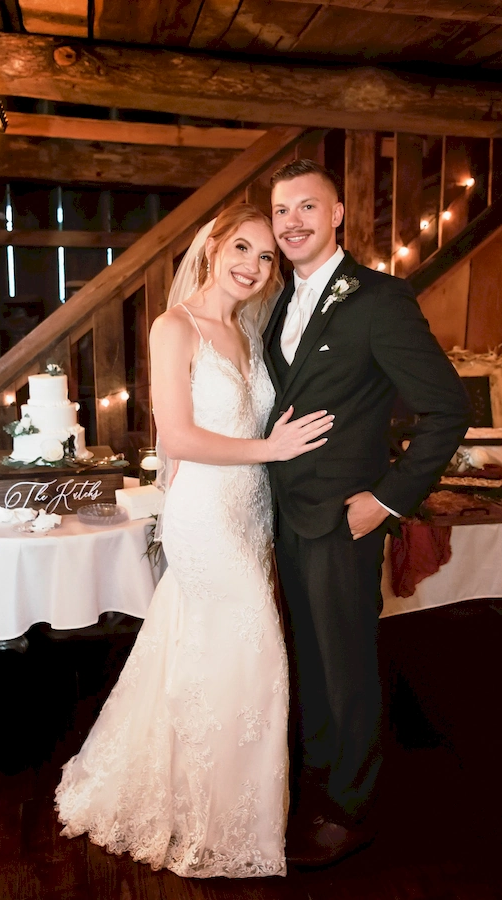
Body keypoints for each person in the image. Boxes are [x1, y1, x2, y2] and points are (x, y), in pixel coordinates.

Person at [55, 203, 333, 878]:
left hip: (251, 510)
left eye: (266, 257)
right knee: (255, 645)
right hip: (205, 517)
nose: (253, 266)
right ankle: (221, 826)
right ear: (212, 248)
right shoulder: (173, 326)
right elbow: (177, 436)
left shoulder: (249, 330)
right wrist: (270, 448)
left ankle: (199, 799)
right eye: (241, 248)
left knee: (204, 651)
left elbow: (253, 416)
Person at [263, 159, 471, 866]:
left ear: (337, 214)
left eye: (307, 207)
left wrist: (385, 499)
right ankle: (315, 786)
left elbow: (447, 408)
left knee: (346, 666)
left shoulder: (380, 298)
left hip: (343, 517)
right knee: (308, 663)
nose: (292, 222)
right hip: (283, 514)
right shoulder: (275, 302)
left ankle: (350, 811)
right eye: (281, 210)